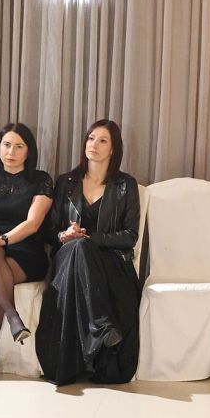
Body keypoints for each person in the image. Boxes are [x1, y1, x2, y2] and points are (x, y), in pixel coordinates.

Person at [36, 119, 141, 386]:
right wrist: (64, 235)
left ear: (113, 149)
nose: (93, 144)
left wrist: (90, 238)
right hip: (68, 259)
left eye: (102, 140)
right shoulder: (66, 182)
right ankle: (101, 326)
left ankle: (95, 334)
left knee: (82, 245)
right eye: (91, 138)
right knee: (78, 247)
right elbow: (50, 232)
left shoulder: (126, 185)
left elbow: (130, 236)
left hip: (111, 263)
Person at [0, 123, 53, 381]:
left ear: (29, 151)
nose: (11, 152)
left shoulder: (41, 180)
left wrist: (3, 240)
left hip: (26, 253)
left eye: (18, 146)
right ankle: (13, 316)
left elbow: (33, 224)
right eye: (6, 145)